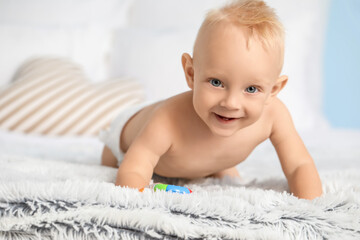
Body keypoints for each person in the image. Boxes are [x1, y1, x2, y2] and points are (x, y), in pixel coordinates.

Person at [100, 0, 322, 200]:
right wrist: (138, 194)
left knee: (218, 164)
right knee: (111, 161)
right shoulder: (167, 121)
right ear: (191, 74)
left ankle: (214, 166)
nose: (231, 103)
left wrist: (311, 207)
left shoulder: (275, 116)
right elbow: (134, 171)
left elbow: (299, 165)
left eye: (251, 88)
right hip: (128, 130)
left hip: (201, 160)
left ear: (273, 90)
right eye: (216, 82)